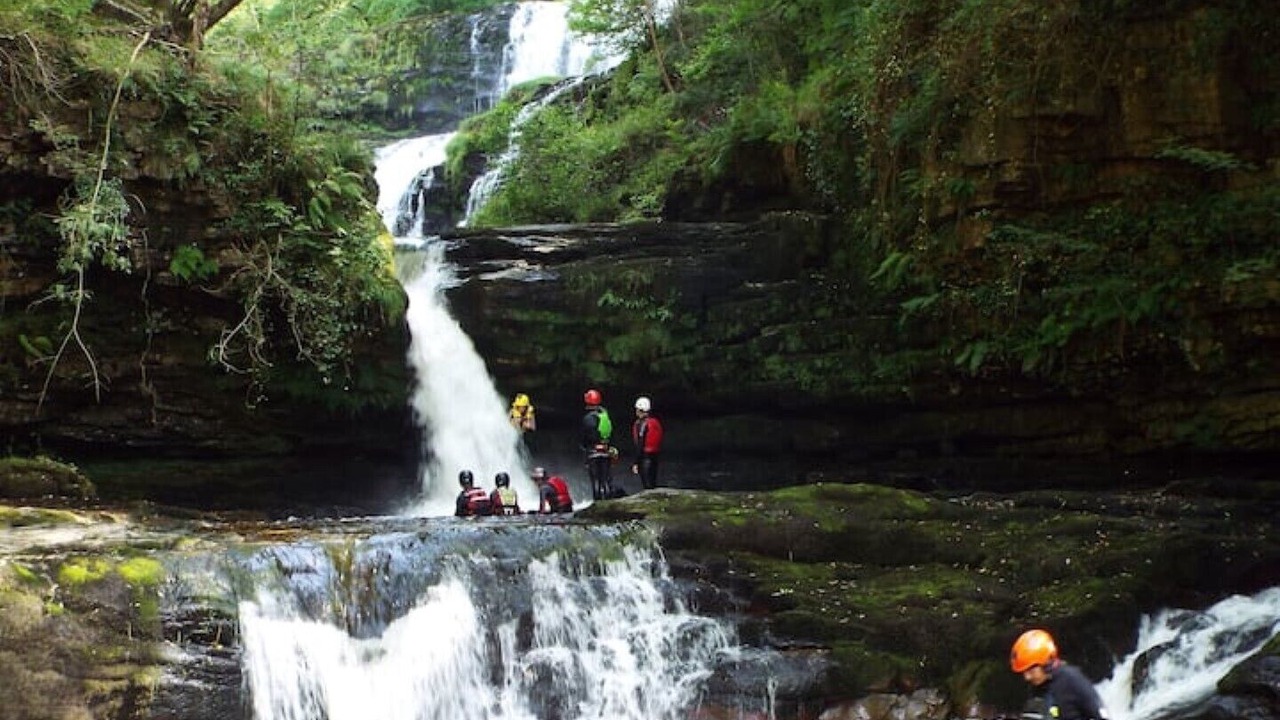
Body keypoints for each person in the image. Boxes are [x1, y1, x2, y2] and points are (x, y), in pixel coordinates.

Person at [1010, 629, 1109, 720]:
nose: (1027, 677)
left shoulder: (1071, 679)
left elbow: (1100, 714)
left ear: (1047, 663)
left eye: (1031, 671)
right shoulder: (1037, 687)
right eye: (1024, 672)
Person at [580, 388, 615, 500]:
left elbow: (585, 437)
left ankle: (598, 504)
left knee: (595, 480)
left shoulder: (588, 418)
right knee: (605, 480)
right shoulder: (605, 415)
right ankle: (610, 501)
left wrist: (584, 447)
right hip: (605, 450)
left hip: (592, 452)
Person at [630, 395, 664, 490]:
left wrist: (636, 462)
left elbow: (640, 443)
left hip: (645, 459)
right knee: (653, 484)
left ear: (640, 410)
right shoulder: (655, 422)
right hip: (654, 457)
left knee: (647, 486)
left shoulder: (641, 424)